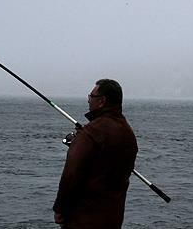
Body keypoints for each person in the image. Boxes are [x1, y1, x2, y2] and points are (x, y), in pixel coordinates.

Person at [53, 79, 138, 228]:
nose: (88, 100)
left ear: (102, 101)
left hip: (83, 218)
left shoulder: (91, 133)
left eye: (91, 96)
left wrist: (60, 208)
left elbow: (71, 174)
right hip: (113, 218)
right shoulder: (128, 133)